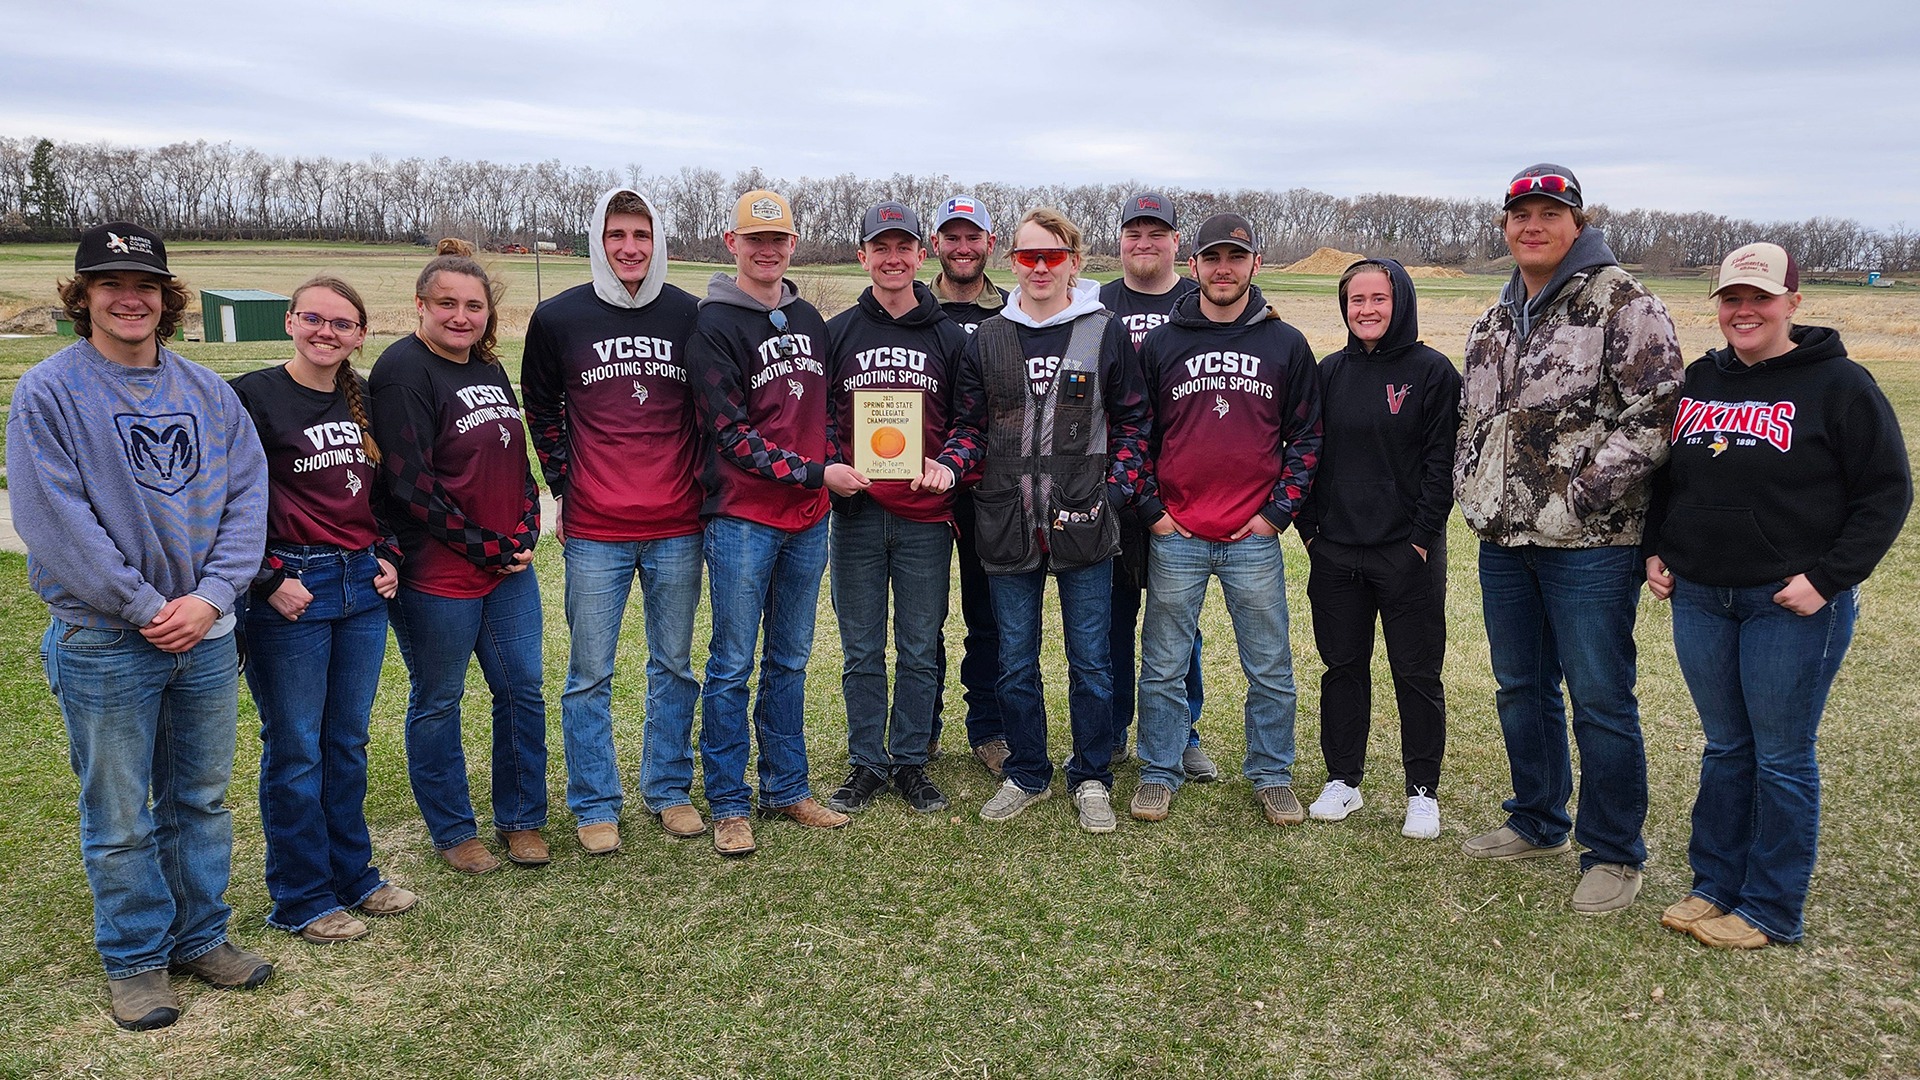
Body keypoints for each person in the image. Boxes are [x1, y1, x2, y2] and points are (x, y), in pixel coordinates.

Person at [9, 221, 271, 1030]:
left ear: (167, 298)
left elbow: (245, 498)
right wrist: (148, 606)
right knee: (120, 815)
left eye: (146, 286)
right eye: (112, 284)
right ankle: (135, 961)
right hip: (107, 639)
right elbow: (56, 519)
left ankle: (200, 937)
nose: (131, 299)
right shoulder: (49, 392)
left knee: (200, 799)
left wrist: (214, 596)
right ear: (82, 296)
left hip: (207, 633)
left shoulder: (207, 392)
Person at [1645, 242, 1910, 948]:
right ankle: (1715, 884)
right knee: (1726, 747)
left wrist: (1827, 579)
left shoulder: (1841, 385)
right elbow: (1672, 480)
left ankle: (1769, 906)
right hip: (1702, 596)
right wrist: (1659, 547)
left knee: (1781, 755)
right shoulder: (1702, 379)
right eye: (1732, 299)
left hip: (1787, 604)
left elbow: (1886, 494)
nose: (1744, 311)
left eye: (1759, 298)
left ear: (1792, 302)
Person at [1455, 164, 1684, 914]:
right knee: (1522, 689)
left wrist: (1580, 496)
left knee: (1599, 698)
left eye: (1549, 212)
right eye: (1520, 213)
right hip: (1507, 541)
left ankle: (1615, 852)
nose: (1533, 224)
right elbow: (1476, 423)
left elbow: (1655, 413)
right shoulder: (1494, 321)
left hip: (1591, 546)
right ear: (1505, 226)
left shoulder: (1622, 301)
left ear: (1577, 224)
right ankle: (1537, 820)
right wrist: (1474, 489)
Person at [940, 207, 1149, 834]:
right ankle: (1027, 771)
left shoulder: (1102, 332)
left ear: (1073, 264)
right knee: (1013, 658)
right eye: (1028, 256)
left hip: (1084, 519)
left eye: (1051, 257)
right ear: (1013, 263)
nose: (1038, 267)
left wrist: (1112, 496)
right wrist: (952, 467)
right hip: (1007, 521)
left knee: (1090, 659)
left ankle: (1090, 776)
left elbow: (1134, 426)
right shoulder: (989, 339)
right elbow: (970, 428)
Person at [231, 277, 418, 945]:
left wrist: (390, 554)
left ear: (360, 334)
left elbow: (386, 493)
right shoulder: (253, 396)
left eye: (342, 323)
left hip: (361, 586)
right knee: (296, 751)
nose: (326, 332)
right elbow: (230, 499)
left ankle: (355, 876)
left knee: (346, 743)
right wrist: (265, 578)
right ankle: (302, 897)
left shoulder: (363, 397)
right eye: (313, 318)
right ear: (289, 321)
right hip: (294, 591)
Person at [522, 187, 705, 852]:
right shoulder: (558, 317)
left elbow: (710, 407)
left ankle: (669, 789)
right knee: (590, 673)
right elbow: (541, 409)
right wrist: (563, 488)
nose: (630, 247)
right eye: (617, 234)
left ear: (658, 241)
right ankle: (595, 804)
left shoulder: (692, 314)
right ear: (598, 239)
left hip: (678, 522)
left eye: (642, 234)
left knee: (675, 665)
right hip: (596, 527)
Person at [1129, 213, 1321, 825]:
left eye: (1235, 258)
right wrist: (1153, 512)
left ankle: (1271, 772)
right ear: (1194, 266)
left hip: (1252, 538)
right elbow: (1136, 433)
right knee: (1161, 662)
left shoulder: (1284, 342)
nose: (1223, 268)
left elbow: (1307, 437)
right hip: (1177, 533)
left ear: (1255, 265)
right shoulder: (1162, 342)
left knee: (1269, 664)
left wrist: (1277, 514)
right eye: (1213, 258)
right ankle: (1159, 770)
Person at [369, 239, 549, 875]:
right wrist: (488, 547)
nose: (460, 316)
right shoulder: (401, 372)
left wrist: (526, 525)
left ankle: (523, 819)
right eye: (445, 303)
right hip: (439, 575)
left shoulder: (488, 368)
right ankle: (453, 831)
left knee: (522, 690)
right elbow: (410, 484)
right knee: (440, 699)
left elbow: (512, 457)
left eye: (473, 305)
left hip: (507, 571)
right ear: (420, 304)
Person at [689, 189, 850, 856]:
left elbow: (829, 411)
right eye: (754, 239)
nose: (767, 249)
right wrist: (815, 473)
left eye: (778, 239)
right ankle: (729, 802)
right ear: (732, 243)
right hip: (742, 520)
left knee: (789, 659)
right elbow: (729, 434)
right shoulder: (712, 325)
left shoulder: (809, 317)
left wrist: (835, 464)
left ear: (793, 244)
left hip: (808, 521)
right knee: (732, 664)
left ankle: (787, 788)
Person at [1296, 258, 1458, 839]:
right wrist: (1311, 532)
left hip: (1405, 553)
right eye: (1355, 299)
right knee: (1342, 667)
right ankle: (1344, 780)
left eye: (1378, 298)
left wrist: (1419, 540)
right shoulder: (1328, 372)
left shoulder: (1433, 372)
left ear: (1401, 301)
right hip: (1335, 550)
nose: (1366, 310)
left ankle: (1421, 791)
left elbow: (1443, 463)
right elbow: (1306, 452)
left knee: (1416, 671)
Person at [822, 201, 971, 815]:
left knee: (917, 642)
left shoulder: (949, 337)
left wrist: (949, 466)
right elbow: (820, 419)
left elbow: (971, 422)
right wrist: (833, 466)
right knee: (861, 647)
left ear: (921, 253)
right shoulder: (837, 333)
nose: (892, 258)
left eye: (903, 246)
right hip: (856, 512)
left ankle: (910, 760)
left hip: (923, 519)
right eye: (879, 247)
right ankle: (867, 762)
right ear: (862, 256)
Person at [1099, 191, 1213, 779]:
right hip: (1115, 489)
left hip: (1181, 488)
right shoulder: (1095, 304)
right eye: (1133, 232)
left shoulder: (1199, 303)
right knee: (1114, 616)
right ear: (1120, 239)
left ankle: (1183, 730)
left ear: (1176, 242)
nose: (1144, 243)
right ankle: (1115, 727)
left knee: (1179, 620)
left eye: (1157, 233)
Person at [927, 195, 1010, 776]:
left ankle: (988, 726)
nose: (962, 248)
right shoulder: (913, 307)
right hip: (922, 488)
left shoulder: (1012, 313)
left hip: (993, 490)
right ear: (935, 244)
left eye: (972, 236)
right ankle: (920, 726)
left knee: (990, 616)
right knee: (922, 616)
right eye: (951, 237)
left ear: (990, 242)